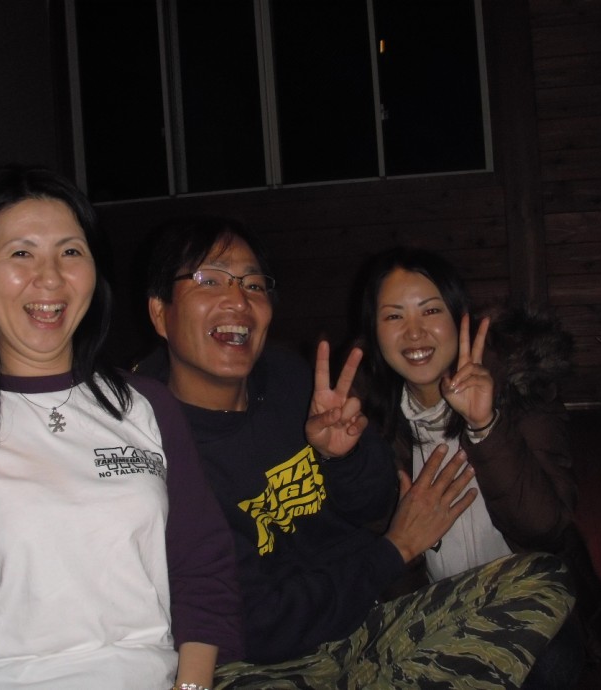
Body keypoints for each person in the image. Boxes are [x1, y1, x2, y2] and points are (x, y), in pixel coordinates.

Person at [137, 215, 576, 689]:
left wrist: (339, 459)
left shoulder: (289, 378)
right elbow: (251, 624)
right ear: (160, 313)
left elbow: (374, 502)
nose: (238, 300)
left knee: (545, 581)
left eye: (253, 284)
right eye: (209, 280)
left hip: (373, 622)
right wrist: (395, 550)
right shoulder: (149, 442)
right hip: (270, 661)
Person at [0, 166, 242, 689]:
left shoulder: (145, 405)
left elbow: (202, 567)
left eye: (71, 251)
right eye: (21, 253)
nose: (49, 277)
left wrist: (191, 687)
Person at [355, 246, 601, 688]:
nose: (414, 332)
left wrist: (485, 425)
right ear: (374, 332)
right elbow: (378, 557)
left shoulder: (521, 386)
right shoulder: (366, 418)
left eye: (430, 310)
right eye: (394, 316)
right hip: (430, 608)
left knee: (547, 665)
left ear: (460, 318)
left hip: (532, 594)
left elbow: (546, 529)